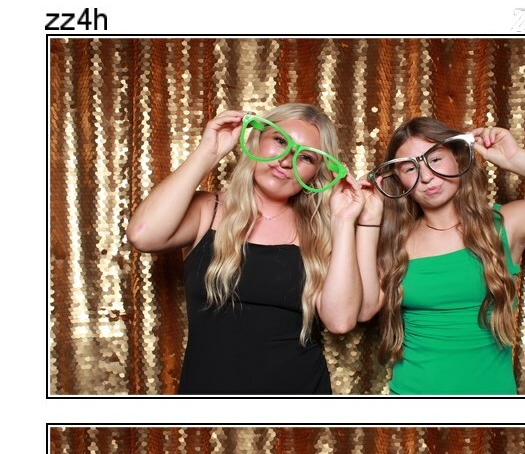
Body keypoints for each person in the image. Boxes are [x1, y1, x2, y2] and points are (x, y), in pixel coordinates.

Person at [127, 106, 371, 394]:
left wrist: (343, 222)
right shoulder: (208, 210)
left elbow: (341, 321)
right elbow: (143, 235)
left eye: (305, 157)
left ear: (317, 173)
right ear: (256, 139)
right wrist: (209, 153)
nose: (286, 161)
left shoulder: (321, 231)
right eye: (279, 141)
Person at [360, 117, 525, 395]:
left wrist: (516, 158)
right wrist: (366, 219)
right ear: (397, 179)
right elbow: (365, 309)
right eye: (410, 168)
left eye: (436, 159)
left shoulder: (504, 226)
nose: (427, 176)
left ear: (458, 157)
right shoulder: (395, 242)